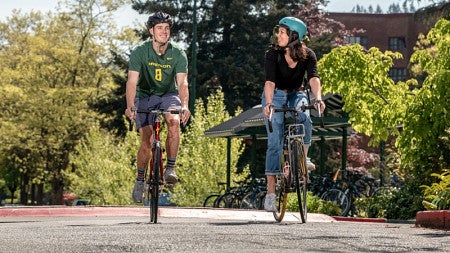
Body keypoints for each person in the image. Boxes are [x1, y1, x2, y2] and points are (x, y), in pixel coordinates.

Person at [125, 11, 191, 203]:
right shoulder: (140, 52)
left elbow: (182, 83)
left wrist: (185, 105)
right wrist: (130, 106)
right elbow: (131, 82)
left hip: (168, 95)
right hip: (144, 95)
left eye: (167, 28)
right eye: (160, 28)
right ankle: (140, 179)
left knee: (173, 122)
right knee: (146, 139)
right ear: (151, 31)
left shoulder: (178, 53)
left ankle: (170, 168)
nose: (164, 32)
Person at [261, 17, 325, 212]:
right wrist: (270, 103)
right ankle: (271, 193)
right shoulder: (273, 54)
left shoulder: (308, 55)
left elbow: (313, 78)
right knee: (275, 140)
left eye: (282, 32)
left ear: (294, 36)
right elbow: (270, 82)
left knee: (304, 115)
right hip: (276, 94)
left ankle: (303, 158)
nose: (278, 35)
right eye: (278, 31)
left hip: (297, 92)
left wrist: (318, 98)